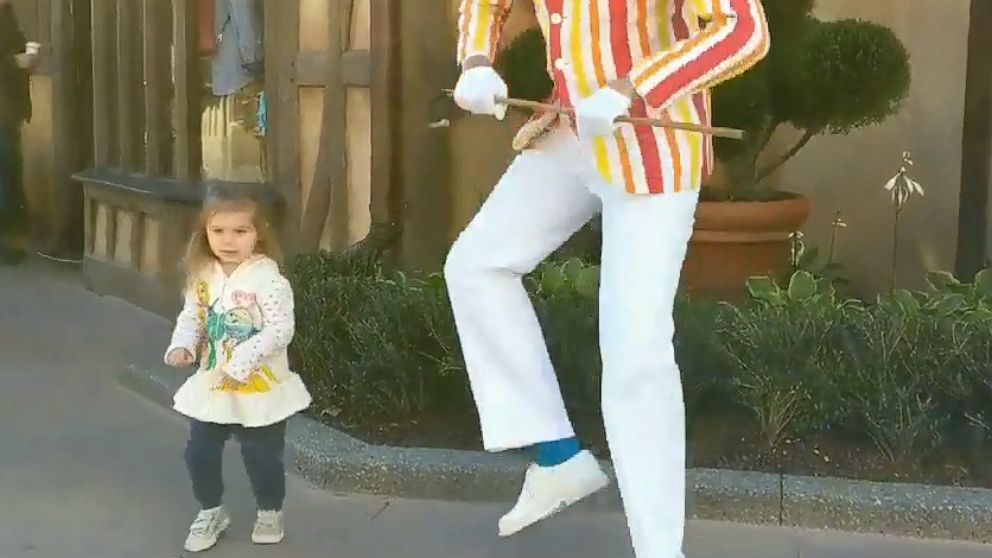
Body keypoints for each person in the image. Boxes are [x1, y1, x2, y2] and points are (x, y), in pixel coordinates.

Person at [445, 1, 769, 557]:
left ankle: (660, 551)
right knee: (476, 265)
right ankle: (555, 458)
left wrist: (632, 87)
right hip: (571, 133)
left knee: (635, 353)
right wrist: (476, 59)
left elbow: (745, 31)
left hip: (654, 141)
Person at [164, 185, 311, 552]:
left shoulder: (269, 280)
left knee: (260, 454)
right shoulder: (203, 275)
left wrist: (242, 361)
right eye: (218, 231)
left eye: (240, 231)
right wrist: (181, 345)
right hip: (214, 384)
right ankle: (211, 509)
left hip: (259, 388)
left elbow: (280, 329)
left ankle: (269, 510)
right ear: (205, 233)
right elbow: (193, 316)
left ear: (259, 233)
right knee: (199, 451)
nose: (228, 241)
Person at [0, 0, 36, 265]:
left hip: (9, 108)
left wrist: (28, 57)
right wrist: (15, 61)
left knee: (10, 175)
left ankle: (10, 243)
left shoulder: (8, 15)